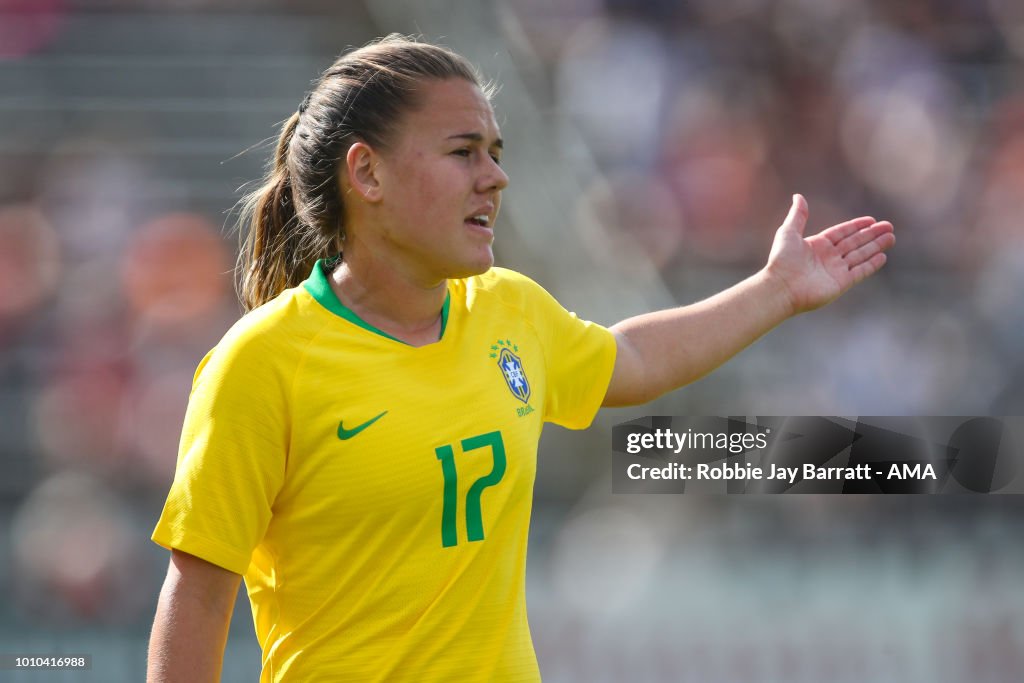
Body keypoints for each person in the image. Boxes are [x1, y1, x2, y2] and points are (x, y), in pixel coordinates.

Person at [147, 34, 894, 682]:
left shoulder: (508, 310)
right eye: (463, 152)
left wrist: (775, 290)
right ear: (366, 174)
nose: (495, 177)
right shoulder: (263, 361)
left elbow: (627, 357)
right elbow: (199, 591)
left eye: (496, 153)